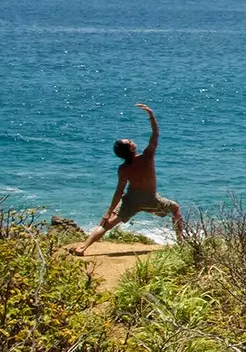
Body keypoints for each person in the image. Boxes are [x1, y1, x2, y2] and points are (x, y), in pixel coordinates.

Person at [74, 103, 184, 255]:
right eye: (130, 142)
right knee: (175, 208)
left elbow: (119, 191)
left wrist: (109, 212)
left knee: (107, 224)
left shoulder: (123, 169)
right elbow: (155, 134)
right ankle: (181, 243)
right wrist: (151, 115)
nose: (132, 140)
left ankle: (83, 248)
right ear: (131, 149)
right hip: (150, 200)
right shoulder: (147, 157)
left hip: (131, 199)